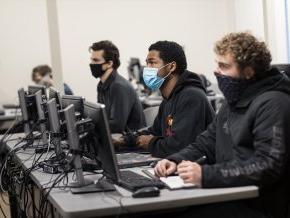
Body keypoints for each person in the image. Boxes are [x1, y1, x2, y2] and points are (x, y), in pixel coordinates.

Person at [154, 32, 290, 218]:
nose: (217, 71)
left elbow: (267, 165)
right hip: (232, 194)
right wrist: (175, 160)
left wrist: (205, 175)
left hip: (260, 205)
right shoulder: (234, 99)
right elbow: (206, 143)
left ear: (249, 71)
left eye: (224, 66)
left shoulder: (274, 103)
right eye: (217, 64)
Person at [136, 41, 214, 158]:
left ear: (171, 67)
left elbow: (180, 146)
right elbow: (155, 131)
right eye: (147, 63)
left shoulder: (191, 96)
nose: (147, 69)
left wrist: (150, 143)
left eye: (152, 63)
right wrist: (126, 140)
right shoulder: (168, 98)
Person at [89, 40, 145, 133]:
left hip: (130, 143)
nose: (91, 64)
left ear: (109, 63)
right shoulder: (101, 85)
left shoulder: (119, 87)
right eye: (91, 59)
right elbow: (102, 117)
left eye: (96, 60)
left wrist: (89, 127)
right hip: (115, 140)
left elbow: (115, 127)